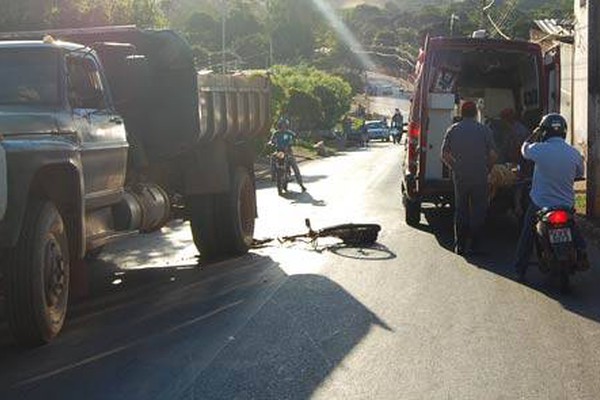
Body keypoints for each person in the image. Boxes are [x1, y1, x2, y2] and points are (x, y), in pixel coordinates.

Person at [512, 113, 587, 281]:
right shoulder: (574, 153)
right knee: (573, 225)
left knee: (527, 234)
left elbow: (524, 148)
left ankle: (519, 269)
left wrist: (534, 133)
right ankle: (582, 252)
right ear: (564, 132)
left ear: (544, 132)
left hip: (540, 204)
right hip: (565, 205)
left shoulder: (538, 149)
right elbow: (580, 174)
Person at [441, 101, 498, 255]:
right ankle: (475, 244)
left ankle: (460, 246)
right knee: (479, 210)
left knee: (461, 210)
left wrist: (455, 167)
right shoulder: (484, 130)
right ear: (475, 113)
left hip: (461, 177)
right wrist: (487, 169)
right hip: (480, 176)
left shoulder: (453, 130)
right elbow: (493, 155)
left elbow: (444, 155)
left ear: (461, 112)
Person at [269, 118, 307, 192]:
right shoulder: (276, 133)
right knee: (272, 158)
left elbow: (295, 138)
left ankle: (301, 184)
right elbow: (272, 140)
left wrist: (294, 141)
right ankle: (273, 176)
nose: (283, 127)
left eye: (284, 125)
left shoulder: (290, 133)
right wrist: (271, 143)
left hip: (288, 152)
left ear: (286, 126)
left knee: (295, 167)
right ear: (279, 125)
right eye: (281, 125)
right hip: (279, 152)